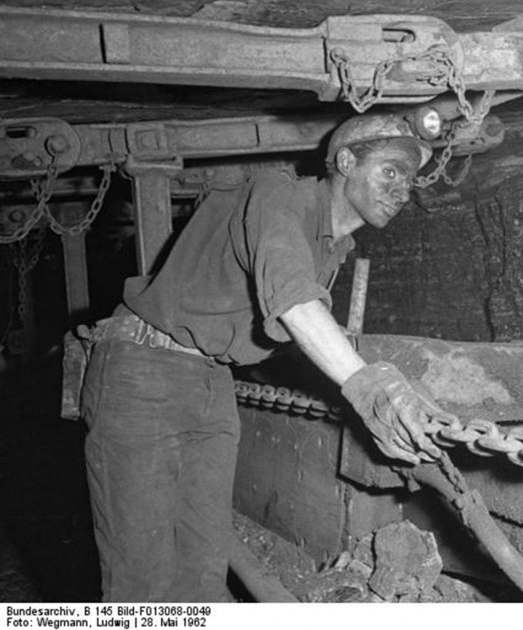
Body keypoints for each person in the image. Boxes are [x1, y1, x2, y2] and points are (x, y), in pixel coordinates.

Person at [79, 113, 453, 602]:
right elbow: (295, 303)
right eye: (389, 171)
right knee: (141, 581)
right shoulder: (279, 195)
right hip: (144, 369)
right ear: (345, 161)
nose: (402, 189)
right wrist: (369, 388)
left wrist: (400, 385)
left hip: (210, 380)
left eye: (408, 177)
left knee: (203, 571)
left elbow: (310, 330)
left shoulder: (335, 247)